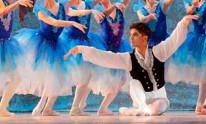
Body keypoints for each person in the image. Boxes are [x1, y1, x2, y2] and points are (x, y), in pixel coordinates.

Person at [64, 15, 197, 116]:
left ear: (145, 38)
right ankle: (141, 108)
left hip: (159, 99)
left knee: (158, 107)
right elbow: (106, 57)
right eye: (130, 35)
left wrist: (183, 22)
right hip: (140, 98)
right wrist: (81, 49)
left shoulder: (159, 52)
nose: (131, 38)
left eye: (135, 35)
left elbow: (173, 41)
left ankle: (138, 111)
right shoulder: (128, 58)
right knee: (134, 83)